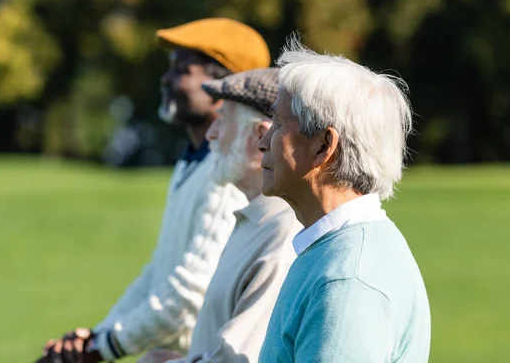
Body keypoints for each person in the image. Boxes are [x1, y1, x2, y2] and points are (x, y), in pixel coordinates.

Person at [40, 18, 271, 363]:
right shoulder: (192, 163)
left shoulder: (229, 174)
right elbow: (159, 272)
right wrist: (97, 336)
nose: (166, 79)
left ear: (223, 87)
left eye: (181, 69)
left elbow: (185, 296)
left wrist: (99, 348)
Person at [257, 38, 431, 362]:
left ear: (324, 145)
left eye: (279, 124)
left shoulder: (347, 281)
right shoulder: (338, 252)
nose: (263, 141)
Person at [139, 68, 301, 363]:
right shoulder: (254, 222)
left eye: (223, 120)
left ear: (260, 136)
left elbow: (242, 358)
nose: (211, 134)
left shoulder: (280, 237)